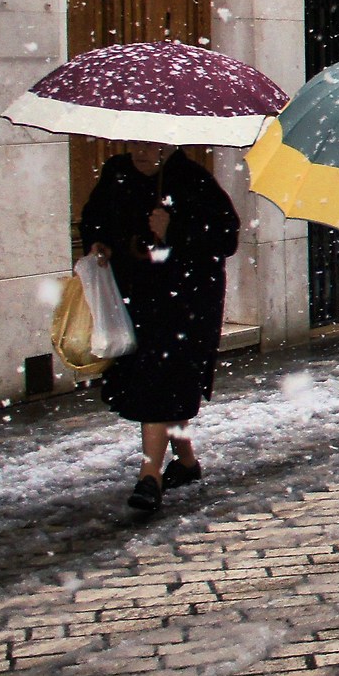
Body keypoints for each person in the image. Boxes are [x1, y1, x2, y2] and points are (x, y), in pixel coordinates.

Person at [80, 142, 241, 516]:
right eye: (135, 144)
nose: (140, 151)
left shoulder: (194, 180)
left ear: (169, 145)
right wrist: (98, 242)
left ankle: (148, 475)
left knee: (159, 381)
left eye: (150, 146)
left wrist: (175, 229)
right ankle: (185, 461)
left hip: (185, 303)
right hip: (134, 299)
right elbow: (94, 218)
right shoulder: (117, 173)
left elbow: (226, 238)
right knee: (164, 383)